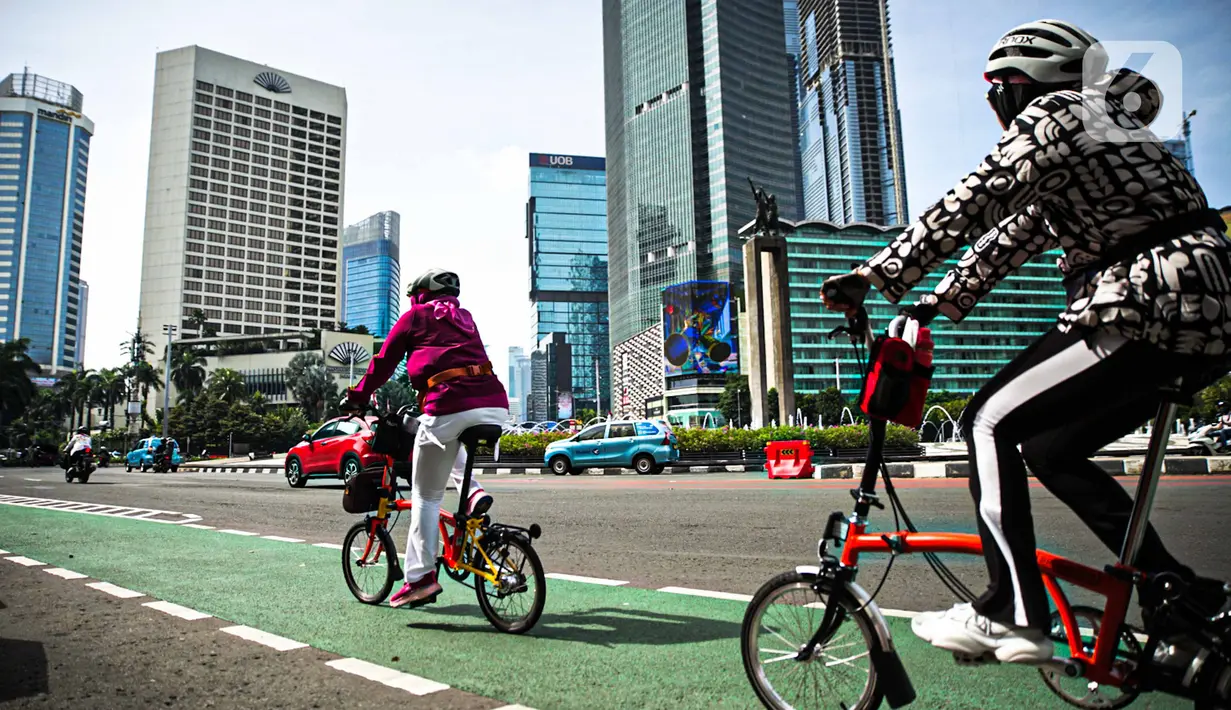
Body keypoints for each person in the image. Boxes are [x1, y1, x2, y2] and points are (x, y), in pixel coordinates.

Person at [821, 19, 1230, 664]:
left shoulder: (1065, 114)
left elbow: (978, 197)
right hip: (1203, 312)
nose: (994, 107)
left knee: (987, 420)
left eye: (995, 90)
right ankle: (1174, 596)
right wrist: (934, 299)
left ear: (1026, 81)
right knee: (1049, 446)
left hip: (1149, 298)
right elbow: (1014, 234)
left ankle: (1014, 610)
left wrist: (876, 273)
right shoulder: (1105, 131)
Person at [343, 268, 509, 608]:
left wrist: (357, 396)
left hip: (448, 402)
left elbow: (383, 363)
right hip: (494, 405)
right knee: (440, 435)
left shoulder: (415, 316)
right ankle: (474, 493)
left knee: (426, 496)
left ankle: (419, 578)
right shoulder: (465, 317)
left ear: (420, 293)